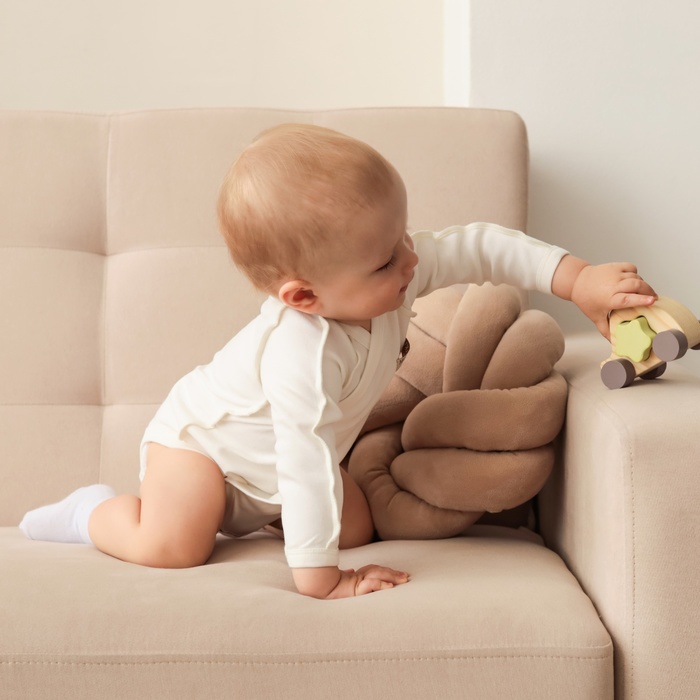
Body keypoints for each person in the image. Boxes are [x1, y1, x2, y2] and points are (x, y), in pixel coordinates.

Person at [19, 124, 657, 599]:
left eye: (403, 235)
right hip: (205, 452)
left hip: (287, 470)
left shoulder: (394, 271)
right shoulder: (301, 352)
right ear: (304, 297)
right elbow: (303, 455)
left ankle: (277, 523)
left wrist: (578, 280)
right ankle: (90, 512)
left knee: (356, 529)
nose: (411, 260)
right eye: (386, 259)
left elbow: (480, 246)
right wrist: (321, 580)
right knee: (175, 546)